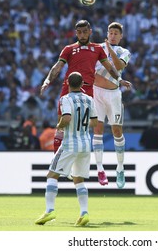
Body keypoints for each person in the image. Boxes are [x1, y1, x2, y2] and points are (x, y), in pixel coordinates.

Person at [40, 20, 131, 153]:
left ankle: (79, 153)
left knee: (86, 125)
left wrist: (119, 79)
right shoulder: (69, 49)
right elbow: (57, 67)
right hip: (68, 87)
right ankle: (57, 155)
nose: (82, 35)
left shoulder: (97, 49)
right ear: (76, 33)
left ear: (90, 32)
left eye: (85, 32)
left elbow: (110, 67)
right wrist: (47, 80)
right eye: (79, 32)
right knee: (62, 123)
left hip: (88, 89)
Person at [35, 72, 98, 226]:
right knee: (78, 179)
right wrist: (81, 126)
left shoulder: (66, 99)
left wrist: (60, 126)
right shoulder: (89, 99)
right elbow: (95, 122)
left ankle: (50, 210)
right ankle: (84, 213)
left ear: (68, 84)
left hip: (70, 143)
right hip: (85, 144)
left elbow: (67, 117)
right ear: (83, 84)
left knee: (52, 174)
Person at [92, 22, 131, 188]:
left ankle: (120, 167)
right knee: (97, 128)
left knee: (116, 130)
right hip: (96, 92)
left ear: (121, 36)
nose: (113, 35)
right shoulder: (97, 48)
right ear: (107, 33)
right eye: (111, 32)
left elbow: (119, 66)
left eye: (116, 33)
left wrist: (109, 48)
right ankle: (100, 168)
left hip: (113, 94)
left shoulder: (124, 52)